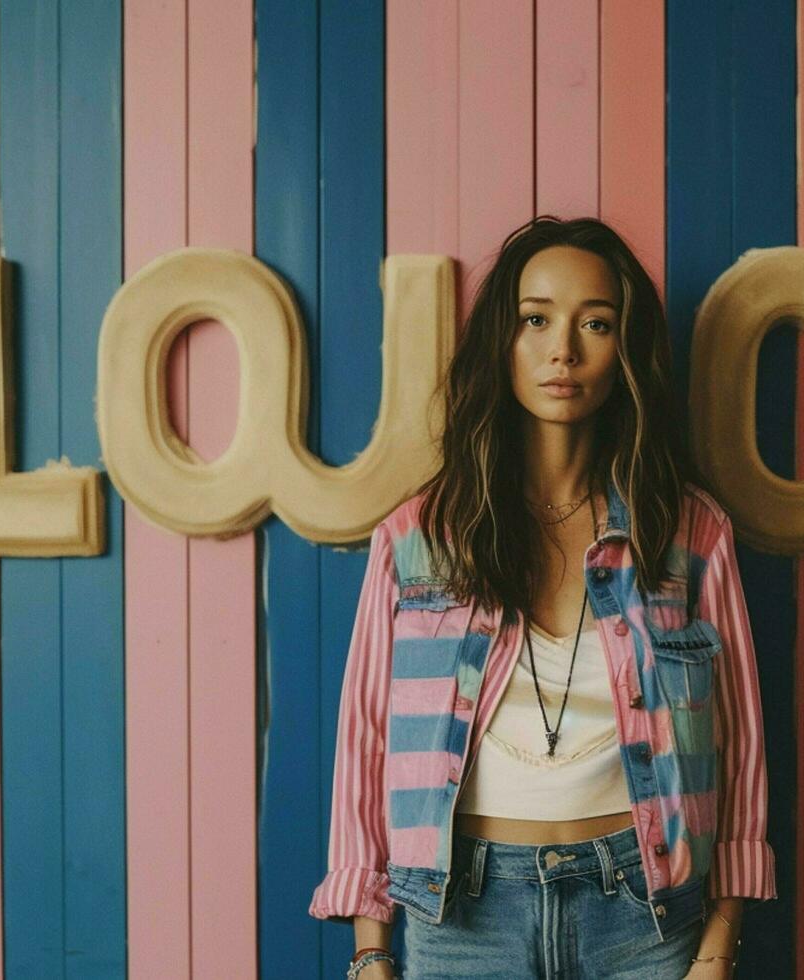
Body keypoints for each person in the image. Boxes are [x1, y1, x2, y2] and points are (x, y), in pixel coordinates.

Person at [309, 216, 777, 979]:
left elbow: (739, 740)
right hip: (464, 913)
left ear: (626, 348)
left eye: (596, 322)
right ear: (503, 340)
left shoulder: (686, 530)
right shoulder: (419, 536)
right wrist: (370, 951)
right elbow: (366, 740)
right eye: (536, 319)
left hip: (646, 910)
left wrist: (719, 943)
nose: (563, 348)